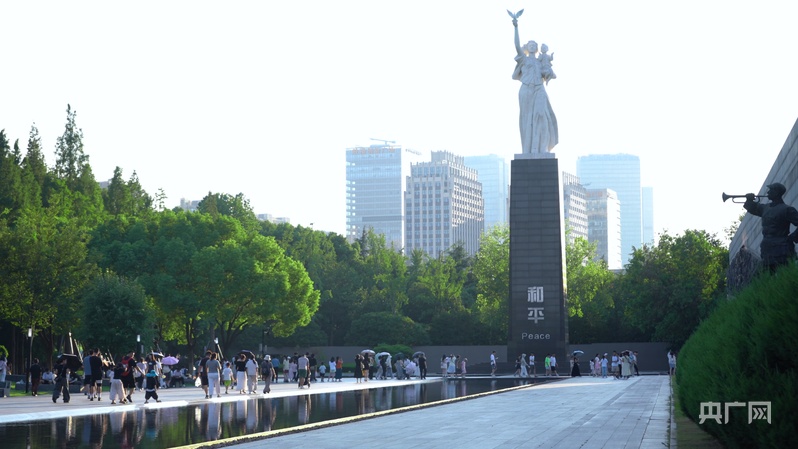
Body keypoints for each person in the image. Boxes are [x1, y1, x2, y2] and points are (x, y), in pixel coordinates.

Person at [511, 15, 558, 154]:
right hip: (526, 89)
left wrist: (548, 72)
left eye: (534, 45)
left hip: (539, 89)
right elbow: (516, 45)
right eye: (530, 44)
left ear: (537, 48)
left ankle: (541, 148)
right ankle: (528, 150)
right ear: (527, 47)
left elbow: (549, 73)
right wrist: (516, 27)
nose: (532, 46)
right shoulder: (523, 59)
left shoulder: (540, 61)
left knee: (542, 116)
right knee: (527, 120)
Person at [744, 183, 798, 272]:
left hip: (782, 247)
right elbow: (752, 208)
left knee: (784, 271)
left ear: (776, 192)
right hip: (767, 247)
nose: (768, 192)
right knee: (767, 273)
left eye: (770, 190)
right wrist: (749, 200)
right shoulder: (765, 208)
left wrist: (792, 237)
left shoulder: (787, 209)